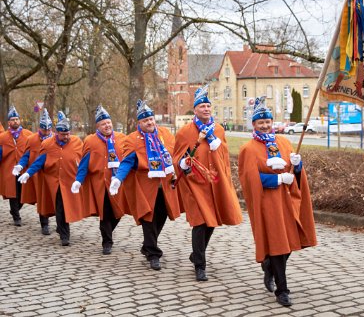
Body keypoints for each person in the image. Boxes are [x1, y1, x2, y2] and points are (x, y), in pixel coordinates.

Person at [238, 96, 317, 307]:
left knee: (289, 242)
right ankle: (282, 290)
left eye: (268, 122)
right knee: (278, 244)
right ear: (254, 124)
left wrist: (297, 167)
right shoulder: (248, 149)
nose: (265, 125)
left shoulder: (284, 142)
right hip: (267, 202)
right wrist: (278, 179)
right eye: (260, 122)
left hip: (288, 200)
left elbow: (295, 171)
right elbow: (249, 179)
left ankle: (270, 267)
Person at [173, 85, 242, 281]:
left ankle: (196, 254)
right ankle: (200, 266)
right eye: (201, 106)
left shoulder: (218, 130)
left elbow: (224, 154)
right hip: (195, 183)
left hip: (215, 181)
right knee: (200, 222)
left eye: (208, 106)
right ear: (194, 110)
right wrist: (183, 163)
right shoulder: (185, 132)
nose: (205, 109)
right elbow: (177, 157)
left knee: (211, 222)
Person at [109, 100, 181, 270]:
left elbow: (175, 154)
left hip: (164, 186)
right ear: (139, 123)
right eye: (145, 120)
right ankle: (153, 253)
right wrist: (118, 179)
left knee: (162, 215)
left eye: (151, 119)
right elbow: (127, 162)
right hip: (145, 187)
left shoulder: (165, 134)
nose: (149, 122)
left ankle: (148, 245)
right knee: (148, 218)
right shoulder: (132, 140)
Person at [18, 112, 85, 246]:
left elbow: (84, 160)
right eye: (63, 134)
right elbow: (40, 161)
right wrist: (28, 173)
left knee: (67, 207)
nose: (66, 137)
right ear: (56, 133)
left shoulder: (77, 142)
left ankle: (62, 229)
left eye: (67, 134)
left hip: (70, 181)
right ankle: (65, 235)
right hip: (54, 182)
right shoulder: (48, 144)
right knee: (60, 207)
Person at [71, 105, 129, 255]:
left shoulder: (121, 138)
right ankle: (107, 242)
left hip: (118, 183)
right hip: (100, 184)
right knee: (105, 213)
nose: (107, 125)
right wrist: (78, 180)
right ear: (98, 126)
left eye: (108, 123)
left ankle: (107, 231)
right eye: (103, 124)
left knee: (118, 212)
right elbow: (84, 163)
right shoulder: (90, 141)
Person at [12, 108, 53, 235]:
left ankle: (62, 223)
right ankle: (44, 224)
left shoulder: (55, 139)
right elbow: (26, 155)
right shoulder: (32, 139)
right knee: (42, 199)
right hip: (36, 175)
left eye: (48, 129)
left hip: (52, 174)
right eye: (44, 129)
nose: (46, 132)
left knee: (56, 200)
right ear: (39, 128)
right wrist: (20, 165)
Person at [0, 106, 33, 226]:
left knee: (22, 193)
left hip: (23, 169)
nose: (15, 121)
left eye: (17, 119)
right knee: (12, 193)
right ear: (9, 122)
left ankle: (15, 210)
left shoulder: (28, 135)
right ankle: (16, 217)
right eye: (13, 120)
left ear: (20, 121)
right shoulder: (2, 137)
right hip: (8, 170)